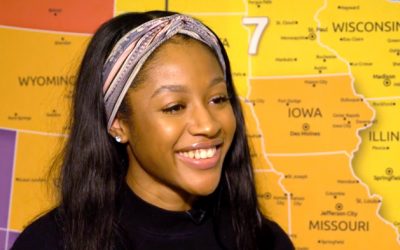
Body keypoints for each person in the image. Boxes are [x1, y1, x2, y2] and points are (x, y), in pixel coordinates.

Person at [12, 11, 294, 250]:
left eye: (218, 99)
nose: (208, 124)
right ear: (118, 124)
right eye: (174, 107)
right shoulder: (51, 242)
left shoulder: (265, 241)